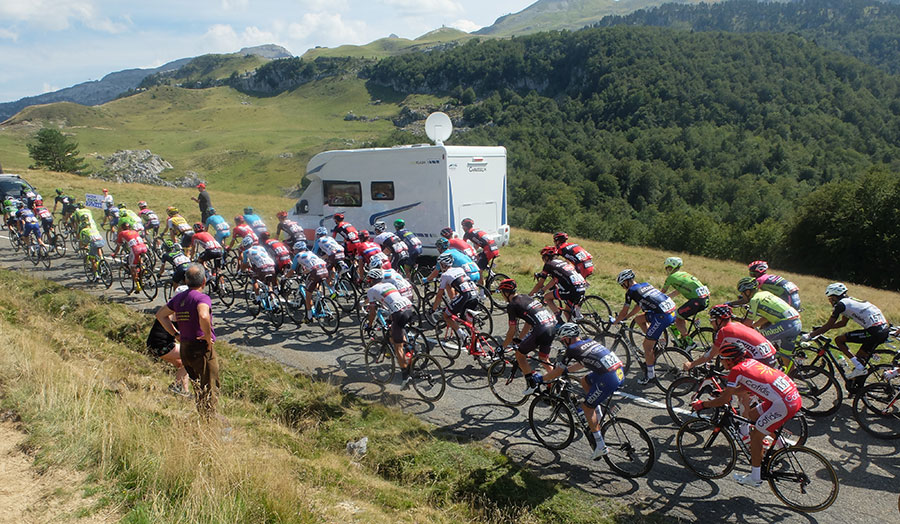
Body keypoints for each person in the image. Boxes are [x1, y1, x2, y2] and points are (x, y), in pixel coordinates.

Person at [691, 343, 801, 488]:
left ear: (730, 360)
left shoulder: (736, 370)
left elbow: (724, 401)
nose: (722, 363)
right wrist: (728, 392)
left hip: (783, 404)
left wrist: (703, 404)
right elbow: (747, 387)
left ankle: (755, 478)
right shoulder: (750, 362)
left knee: (756, 437)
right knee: (753, 416)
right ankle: (783, 447)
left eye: (722, 359)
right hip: (790, 396)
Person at [540, 323, 625, 460]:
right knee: (585, 380)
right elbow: (582, 363)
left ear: (568, 338)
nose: (563, 343)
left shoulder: (572, 348)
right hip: (617, 371)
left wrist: (541, 378)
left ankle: (600, 445)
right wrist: (568, 370)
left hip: (609, 378)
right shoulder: (588, 341)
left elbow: (557, 372)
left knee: (586, 407)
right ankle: (597, 416)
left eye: (563, 340)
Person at [155, 264, 218, 417]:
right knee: (210, 385)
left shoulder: (178, 298)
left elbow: (160, 315)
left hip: (185, 346)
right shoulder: (202, 298)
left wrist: (175, 334)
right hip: (200, 347)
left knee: (196, 384)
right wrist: (208, 336)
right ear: (204, 281)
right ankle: (210, 420)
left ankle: (202, 414)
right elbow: (203, 315)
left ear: (186, 280)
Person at [803, 283, 890, 379]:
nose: (830, 301)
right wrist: (821, 329)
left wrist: (810, 335)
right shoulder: (850, 301)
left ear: (835, 297)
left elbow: (829, 325)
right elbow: (843, 323)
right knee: (860, 358)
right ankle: (858, 389)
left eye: (830, 298)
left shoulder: (841, 305)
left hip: (874, 331)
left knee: (839, 340)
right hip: (883, 329)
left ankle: (859, 367)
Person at [611, 269, 677, 385]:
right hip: (671, 311)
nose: (623, 287)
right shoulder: (645, 285)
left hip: (662, 316)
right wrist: (627, 318)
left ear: (626, 282)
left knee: (646, 346)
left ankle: (650, 376)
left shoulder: (631, 291)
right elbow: (638, 306)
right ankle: (653, 339)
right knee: (639, 319)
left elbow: (623, 311)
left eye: (622, 285)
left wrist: (616, 321)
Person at [498, 278, 556, 395]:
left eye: (502, 292)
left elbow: (511, 330)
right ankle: (555, 384)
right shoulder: (525, 297)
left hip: (541, 329)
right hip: (552, 325)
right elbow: (528, 322)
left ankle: (532, 383)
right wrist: (520, 338)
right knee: (544, 359)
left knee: (520, 355)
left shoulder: (512, 305)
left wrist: (502, 347)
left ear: (506, 292)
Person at [684, 304, 779, 372]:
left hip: (761, 360)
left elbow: (710, 355)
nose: (710, 323)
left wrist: (691, 364)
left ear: (719, 320)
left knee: (733, 383)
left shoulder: (724, 332)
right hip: (771, 355)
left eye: (712, 320)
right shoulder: (737, 324)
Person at [363, 268, 416, 389]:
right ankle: (408, 346)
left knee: (398, 348)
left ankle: (405, 377)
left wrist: (369, 326)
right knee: (395, 331)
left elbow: (372, 313)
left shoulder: (371, 290)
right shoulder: (388, 284)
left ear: (370, 280)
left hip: (399, 313)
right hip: (408, 307)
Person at [735, 277, 802, 359]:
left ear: (748, 292)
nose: (742, 296)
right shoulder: (766, 293)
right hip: (796, 322)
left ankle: (765, 366)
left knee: (758, 341)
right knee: (786, 357)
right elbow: (766, 317)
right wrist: (754, 326)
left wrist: (736, 328)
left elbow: (748, 323)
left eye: (742, 293)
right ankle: (792, 372)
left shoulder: (754, 299)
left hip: (786, 324)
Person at [147, 287, 191, 397]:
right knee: (192, 356)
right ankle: (177, 386)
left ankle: (184, 392)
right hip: (163, 345)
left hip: (152, 345)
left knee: (182, 364)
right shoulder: (178, 310)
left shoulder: (169, 307)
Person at [432, 253, 481, 350]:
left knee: (446, 316)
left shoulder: (445, 275)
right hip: (475, 293)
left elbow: (439, 295)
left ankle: (462, 335)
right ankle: (477, 345)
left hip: (465, 296)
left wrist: (433, 309)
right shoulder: (459, 269)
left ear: (443, 264)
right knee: (469, 322)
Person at [659, 256, 710, 348]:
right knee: (681, 316)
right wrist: (667, 298)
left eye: (667, 268)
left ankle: (690, 343)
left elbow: (661, 293)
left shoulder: (671, 277)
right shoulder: (683, 274)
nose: (666, 270)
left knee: (677, 317)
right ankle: (683, 340)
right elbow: (677, 291)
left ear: (670, 267)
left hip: (696, 301)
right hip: (704, 299)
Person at [530, 246, 587, 323]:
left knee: (547, 297)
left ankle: (559, 321)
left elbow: (540, 284)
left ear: (546, 257)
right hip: (582, 287)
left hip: (572, 290)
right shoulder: (563, 262)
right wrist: (543, 290)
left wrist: (529, 297)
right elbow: (554, 280)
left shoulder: (548, 264)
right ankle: (572, 329)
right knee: (567, 313)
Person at [286, 241, 329, 322]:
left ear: (298, 250)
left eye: (295, 250)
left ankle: (309, 317)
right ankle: (319, 298)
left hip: (316, 272)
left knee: (307, 295)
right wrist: (304, 272)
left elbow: (292, 270)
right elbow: (312, 265)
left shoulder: (298, 256)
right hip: (324, 269)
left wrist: (285, 277)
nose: (294, 252)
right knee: (316, 282)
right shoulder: (310, 253)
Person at [737, 261, 802, 310]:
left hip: (788, 299)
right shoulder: (770, 276)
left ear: (758, 272)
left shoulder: (759, 280)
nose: (751, 276)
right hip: (793, 297)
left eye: (752, 273)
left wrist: (730, 303)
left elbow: (748, 298)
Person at [112, 222, 149, 291]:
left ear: (122, 228)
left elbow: (118, 246)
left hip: (135, 249)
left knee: (132, 267)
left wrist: (114, 254)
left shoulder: (121, 233)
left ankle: (138, 286)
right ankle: (143, 268)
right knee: (138, 258)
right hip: (144, 247)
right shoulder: (134, 231)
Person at [240, 236, 277, 303]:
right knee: (268, 284)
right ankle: (274, 302)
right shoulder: (261, 247)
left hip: (262, 267)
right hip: (272, 265)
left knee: (254, 279)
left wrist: (241, 271)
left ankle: (258, 298)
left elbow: (245, 264)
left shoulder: (246, 252)